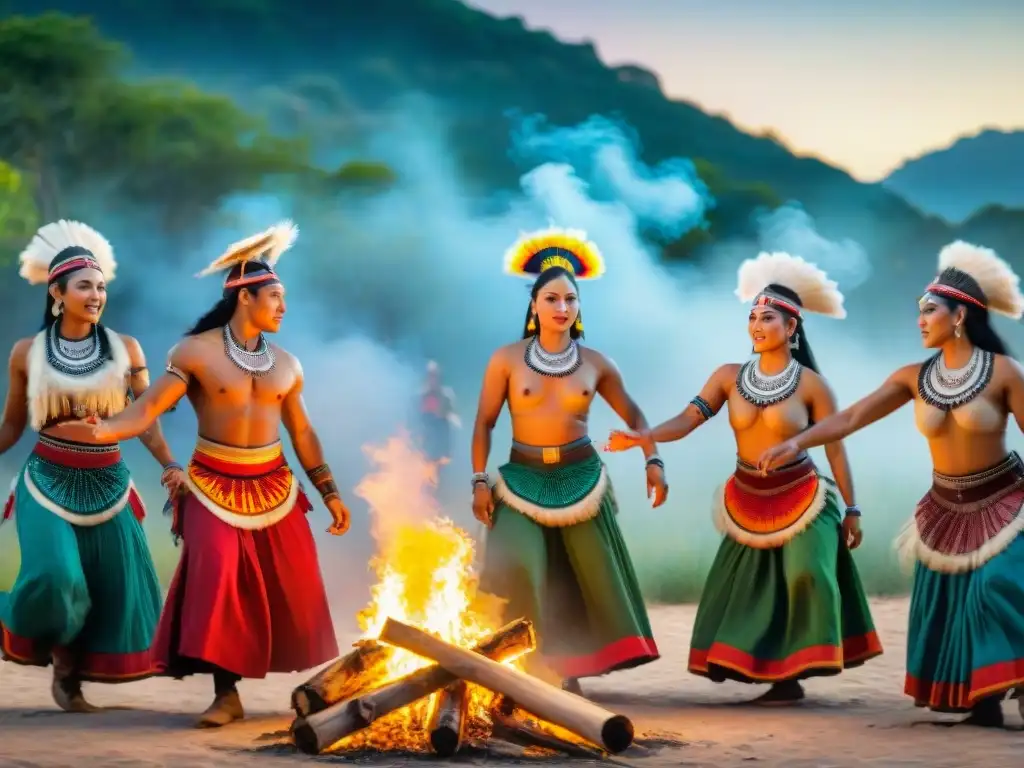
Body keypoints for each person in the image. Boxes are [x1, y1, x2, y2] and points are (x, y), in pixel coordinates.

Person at [76, 221, 349, 727]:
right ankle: (227, 694)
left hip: (276, 486)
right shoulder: (195, 352)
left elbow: (303, 434)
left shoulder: (288, 365)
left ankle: (313, 685)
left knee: (293, 578)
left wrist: (328, 491)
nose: (283, 306)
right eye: (275, 296)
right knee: (218, 574)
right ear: (245, 298)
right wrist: (107, 429)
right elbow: (149, 407)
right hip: (210, 484)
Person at [759, 241, 1024, 727]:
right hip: (944, 506)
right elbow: (853, 416)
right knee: (954, 609)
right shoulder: (912, 377)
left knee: (994, 592)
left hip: (1005, 500)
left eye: (929, 311)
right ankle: (983, 705)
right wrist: (799, 443)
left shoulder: (1004, 372)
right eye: (918, 313)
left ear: (960, 315)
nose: (920, 321)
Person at [607, 252, 882, 705]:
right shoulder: (728, 377)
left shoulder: (812, 384)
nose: (756, 325)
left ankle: (798, 665)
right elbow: (687, 420)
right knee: (755, 590)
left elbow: (835, 446)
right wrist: (644, 437)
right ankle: (782, 680)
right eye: (752, 316)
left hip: (805, 496)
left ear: (791, 328)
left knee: (807, 574)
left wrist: (852, 508)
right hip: (748, 496)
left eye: (767, 317)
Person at [0, 220, 184, 712]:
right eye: (85, 285)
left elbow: (144, 419)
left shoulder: (127, 349)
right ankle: (14, 622)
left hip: (109, 483)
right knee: (57, 578)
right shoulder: (26, 353)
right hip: (46, 481)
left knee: (110, 590)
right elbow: (12, 428)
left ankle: (68, 676)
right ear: (57, 292)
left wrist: (171, 465)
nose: (97, 294)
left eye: (101, 286)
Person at [472, 227, 664, 696]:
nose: (562, 308)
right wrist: (479, 478)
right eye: (553, 298)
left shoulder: (597, 362)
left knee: (581, 574)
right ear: (533, 305)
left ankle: (567, 670)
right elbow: (484, 423)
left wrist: (651, 456)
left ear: (579, 307)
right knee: (520, 564)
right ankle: (519, 664)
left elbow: (635, 413)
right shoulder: (506, 359)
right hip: (520, 477)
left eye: (571, 300)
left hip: (582, 477)